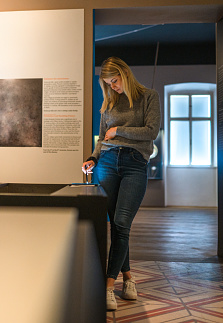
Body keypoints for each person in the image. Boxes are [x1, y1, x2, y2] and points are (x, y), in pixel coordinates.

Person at [81, 57, 160, 311]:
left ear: (125, 74)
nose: (112, 86)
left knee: (122, 222)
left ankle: (107, 287)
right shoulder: (109, 103)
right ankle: (127, 278)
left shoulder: (149, 96)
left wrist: (120, 131)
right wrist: (92, 158)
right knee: (116, 225)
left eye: (114, 81)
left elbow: (151, 132)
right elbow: (102, 139)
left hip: (135, 164)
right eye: (108, 83)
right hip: (106, 163)